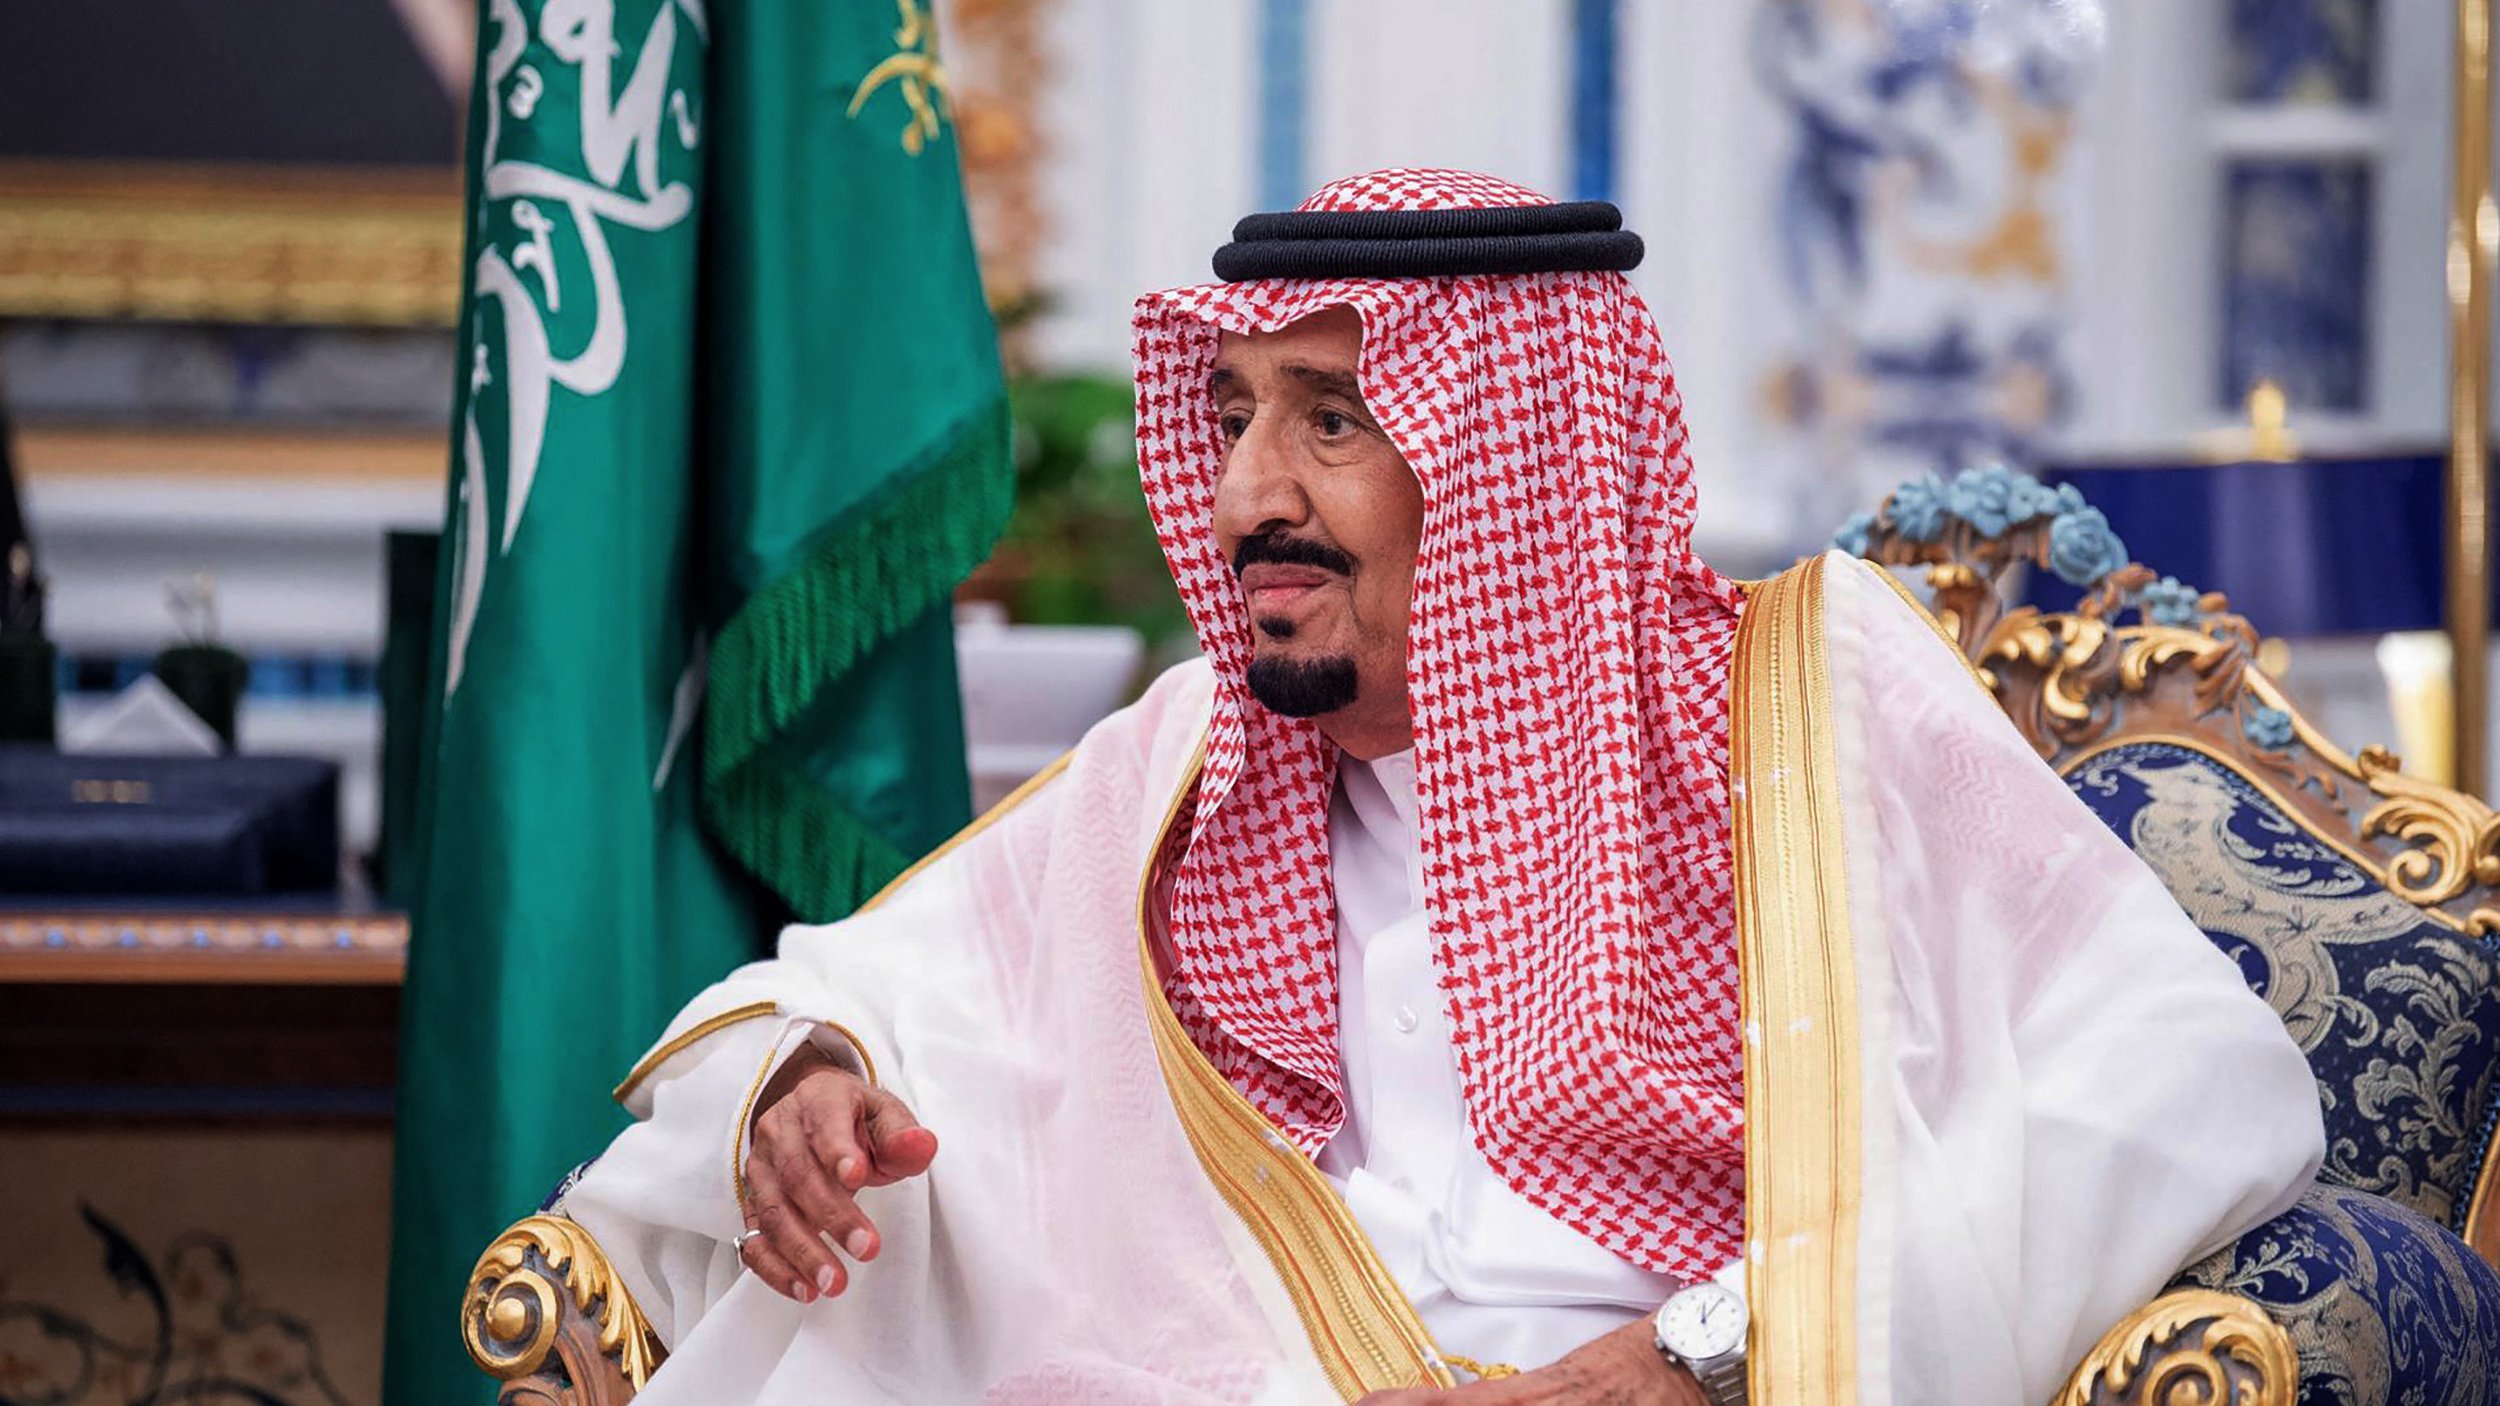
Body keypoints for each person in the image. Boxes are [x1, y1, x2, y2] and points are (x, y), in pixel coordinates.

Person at [559, 169, 2323, 1405]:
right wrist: (800, 1079)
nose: (1247, 488)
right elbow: (845, 987)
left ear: (1519, 469)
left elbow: (2192, 1083)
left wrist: (1706, 1359)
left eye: (1331, 418)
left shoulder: (1806, 700)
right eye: (1235, 411)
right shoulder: (1188, 766)